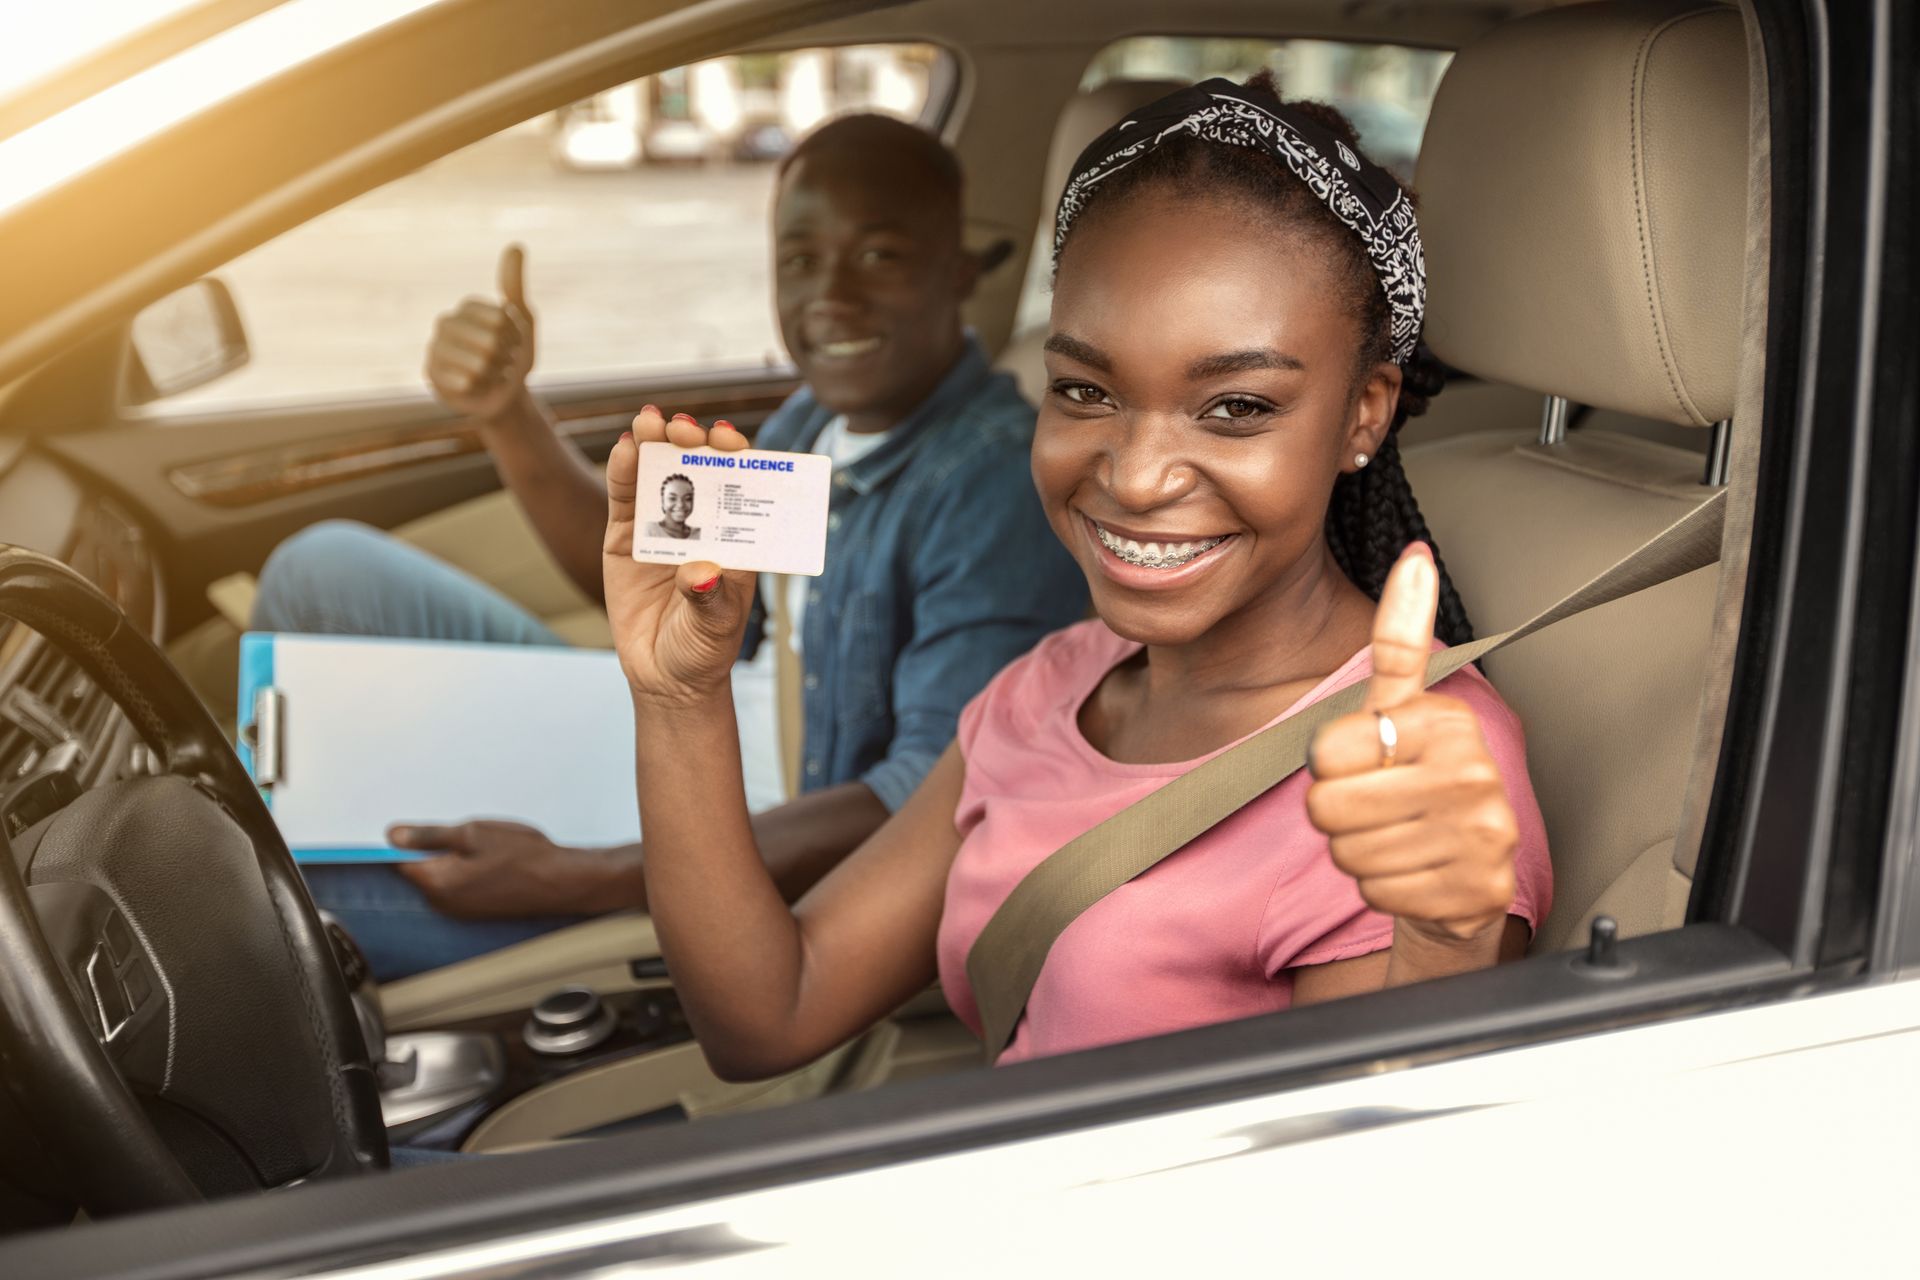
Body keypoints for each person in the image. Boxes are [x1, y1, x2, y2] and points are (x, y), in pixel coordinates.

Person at [603, 75, 1552, 1075]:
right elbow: (768, 1014)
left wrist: (1448, 950)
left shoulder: (1413, 769)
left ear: (1364, 411)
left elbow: (1349, 1194)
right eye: (1084, 390)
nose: (1135, 477)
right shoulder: (1057, 681)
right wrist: (679, 695)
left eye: (1235, 406)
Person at [251, 114, 1088, 979]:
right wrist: (505, 412)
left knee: (272, 895)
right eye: (800, 260)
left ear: (955, 274)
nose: (831, 293)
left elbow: (927, 801)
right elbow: (643, 584)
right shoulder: (817, 421)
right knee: (319, 571)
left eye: (878, 256)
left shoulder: (990, 488)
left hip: (738, 848)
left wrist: (574, 876)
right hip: (675, 729)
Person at [644, 474, 699, 540]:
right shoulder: (649, 530)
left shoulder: (698, 534)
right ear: (662, 502)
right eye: (672, 498)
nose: (680, 505)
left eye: (687, 498)